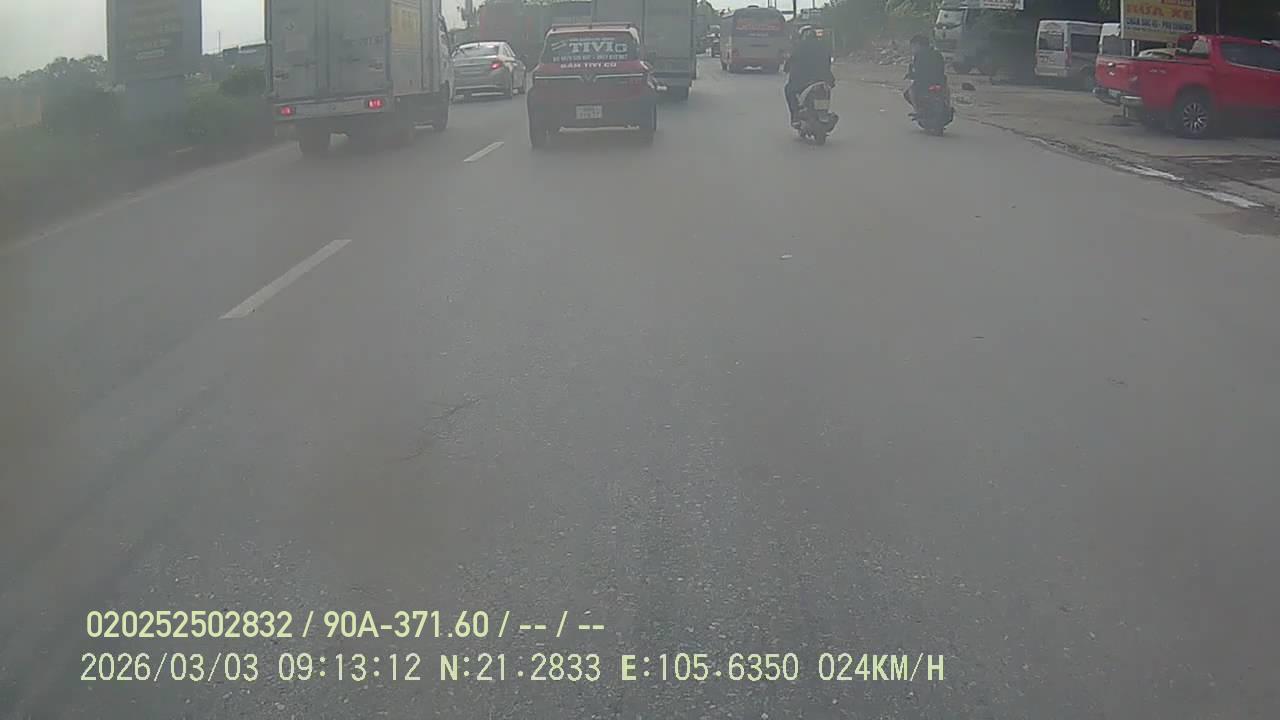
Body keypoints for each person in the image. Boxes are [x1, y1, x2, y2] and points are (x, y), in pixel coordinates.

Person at [784, 26, 835, 127]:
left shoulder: (799, 47)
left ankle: (795, 117)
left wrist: (786, 68)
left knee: (789, 90)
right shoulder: (824, 46)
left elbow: (790, 61)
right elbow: (828, 62)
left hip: (803, 80)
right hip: (824, 79)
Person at [904, 33, 947, 112]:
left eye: (913, 46)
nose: (912, 49)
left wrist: (910, 75)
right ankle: (948, 107)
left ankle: (917, 110)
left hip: (924, 84)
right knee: (946, 92)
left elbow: (918, 72)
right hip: (940, 82)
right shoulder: (937, 54)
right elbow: (942, 69)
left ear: (918, 45)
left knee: (910, 91)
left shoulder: (919, 55)